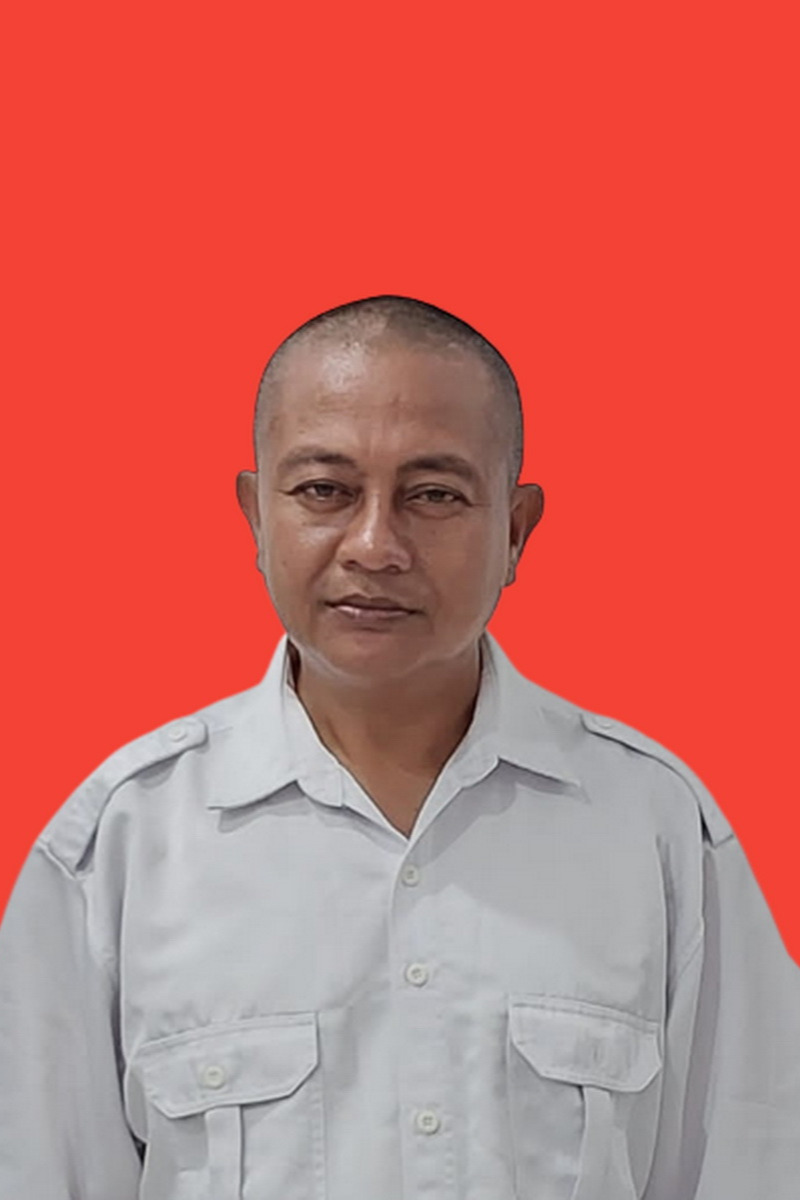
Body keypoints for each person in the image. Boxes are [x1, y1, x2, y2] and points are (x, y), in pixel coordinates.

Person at [0, 295, 798, 1200]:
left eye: (434, 495)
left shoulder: (657, 833)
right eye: (324, 491)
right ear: (256, 516)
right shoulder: (119, 846)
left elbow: (758, 1167)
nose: (375, 546)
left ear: (516, 530)